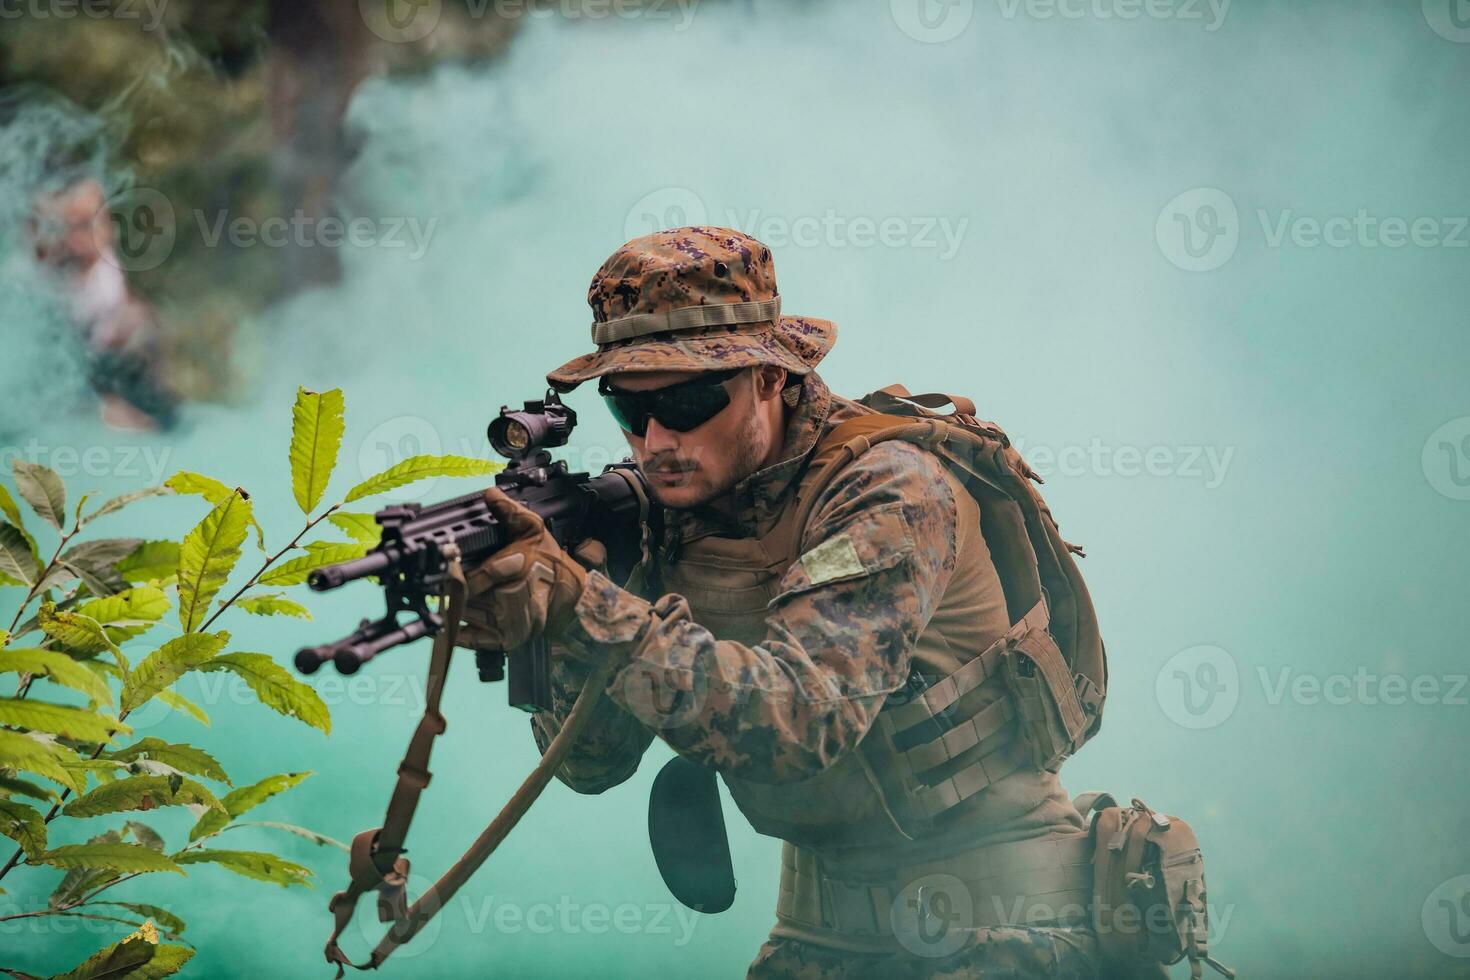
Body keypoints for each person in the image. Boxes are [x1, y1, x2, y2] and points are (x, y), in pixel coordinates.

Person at [457, 226, 1104, 979]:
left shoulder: (888, 490)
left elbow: (798, 722)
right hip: (823, 931)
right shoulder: (666, 512)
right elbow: (591, 764)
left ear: (769, 377)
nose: (656, 440)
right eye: (629, 413)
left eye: (690, 401)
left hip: (1006, 923)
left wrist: (583, 611)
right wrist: (561, 614)